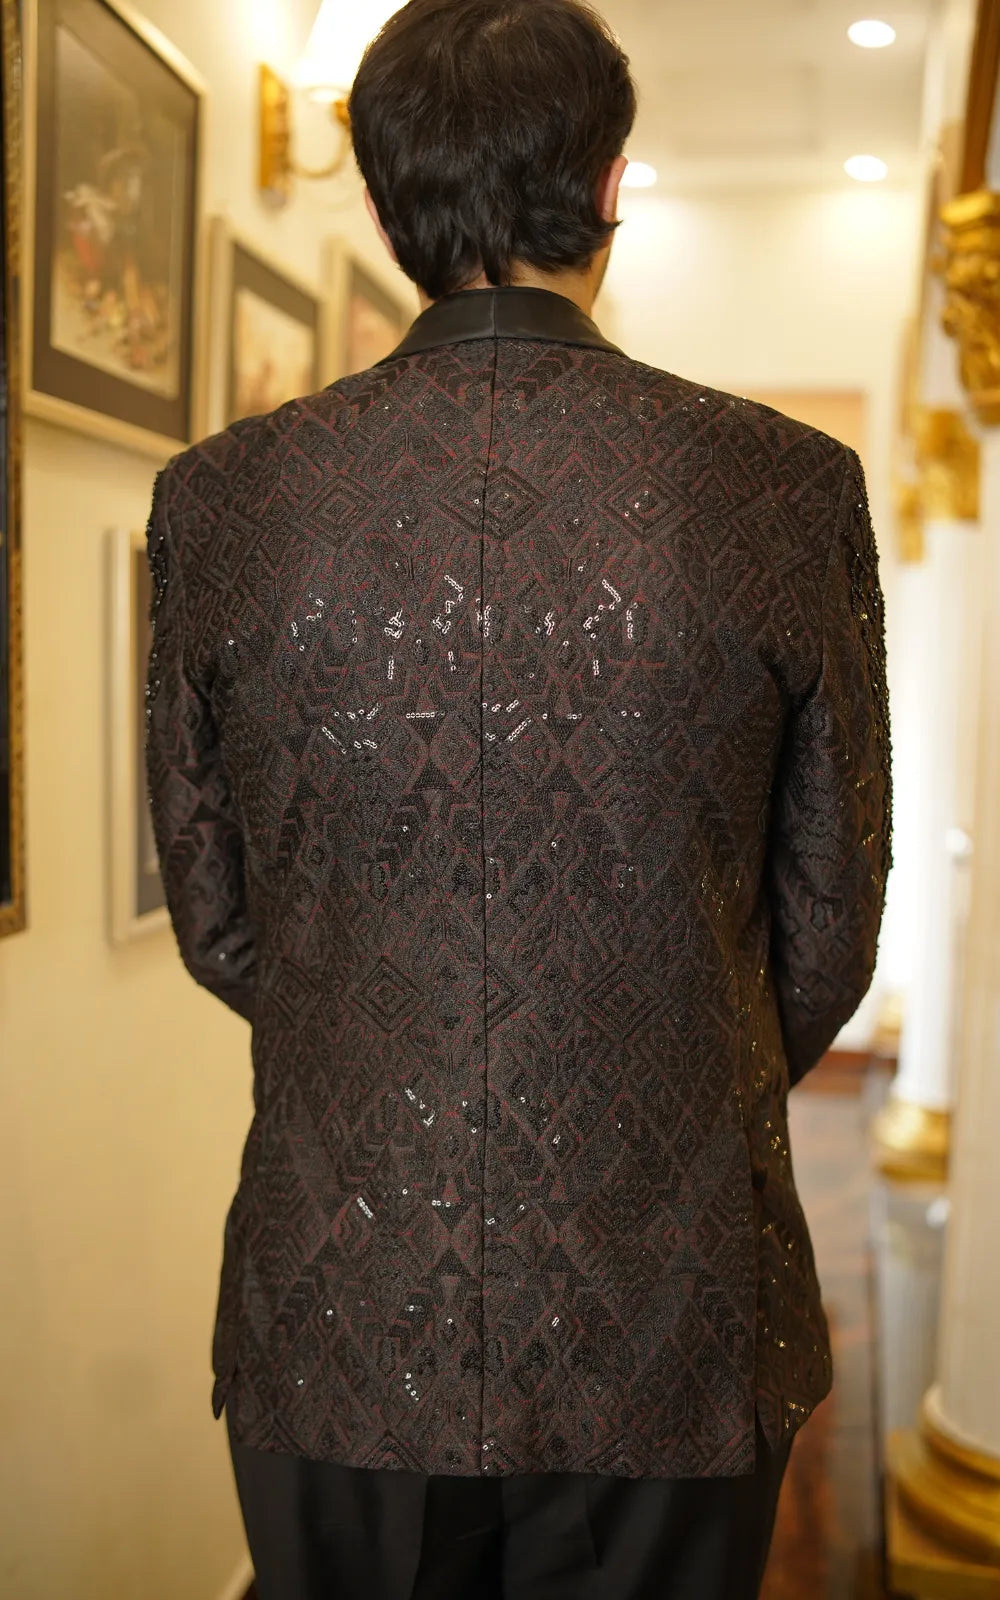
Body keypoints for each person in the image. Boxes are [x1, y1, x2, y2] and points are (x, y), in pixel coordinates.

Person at [144, 1, 892, 1595]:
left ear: (380, 205)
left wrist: (396, 1048)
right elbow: (829, 923)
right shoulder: (783, 486)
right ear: (611, 184)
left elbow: (217, 921)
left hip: (340, 1295)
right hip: (677, 1290)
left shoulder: (220, 499)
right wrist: (658, 1064)